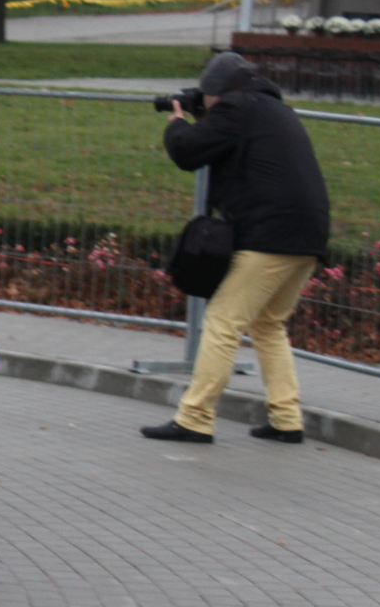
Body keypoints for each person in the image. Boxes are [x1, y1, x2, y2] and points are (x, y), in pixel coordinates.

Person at [140, 52, 331, 445]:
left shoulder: (237, 108)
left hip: (269, 236)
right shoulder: (272, 110)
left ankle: (194, 418)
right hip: (307, 235)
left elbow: (188, 150)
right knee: (267, 324)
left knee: (223, 322)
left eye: (207, 97)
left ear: (217, 92)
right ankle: (286, 418)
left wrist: (177, 120)